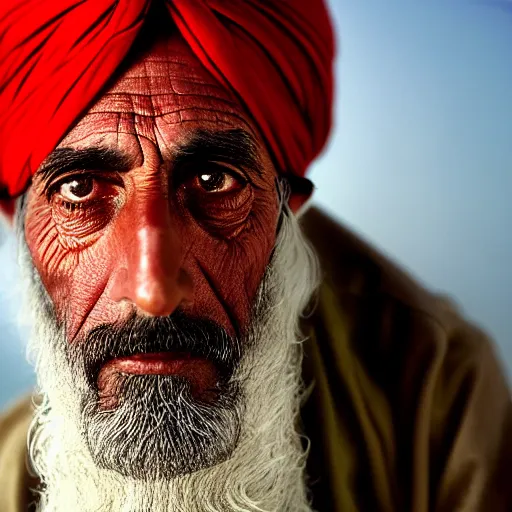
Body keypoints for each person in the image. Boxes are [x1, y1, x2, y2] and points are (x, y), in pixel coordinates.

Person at [0, 1, 510, 511]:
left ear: (289, 214)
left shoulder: (440, 400)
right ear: (19, 222)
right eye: (80, 189)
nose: (152, 291)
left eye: (214, 181)